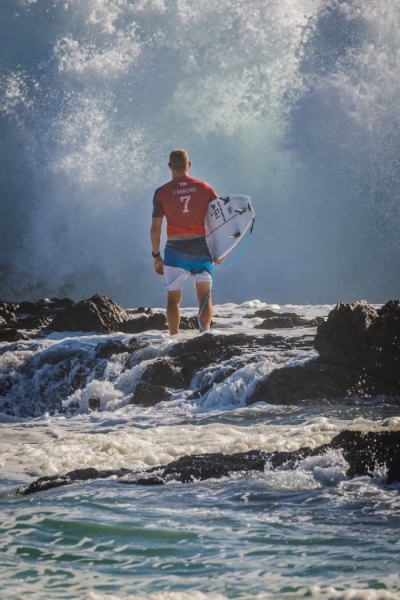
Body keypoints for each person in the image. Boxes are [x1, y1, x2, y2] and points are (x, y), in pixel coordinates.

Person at [150, 149, 223, 335]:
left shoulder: (161, 193)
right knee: (204, 296)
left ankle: (173, 340)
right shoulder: (205, 188)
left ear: (170, 166)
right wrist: (220, 250)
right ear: (189, 165)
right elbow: (221, 219)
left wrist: (156, 255)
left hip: (174, 250)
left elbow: (155, 229)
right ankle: (204, 333)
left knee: (173, 300)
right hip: (200, 248)